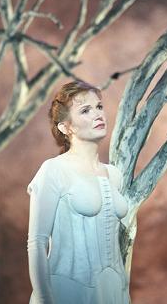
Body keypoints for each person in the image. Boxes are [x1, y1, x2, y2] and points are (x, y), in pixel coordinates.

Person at [26, 80, 130, 304]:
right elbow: (37, 242)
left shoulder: (115, 175)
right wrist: (45, 300)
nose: (98, 114)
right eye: (85, 110)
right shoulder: (53, 170)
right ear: (65, 127)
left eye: (99, 107)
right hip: (67, 293)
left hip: (114, 293)